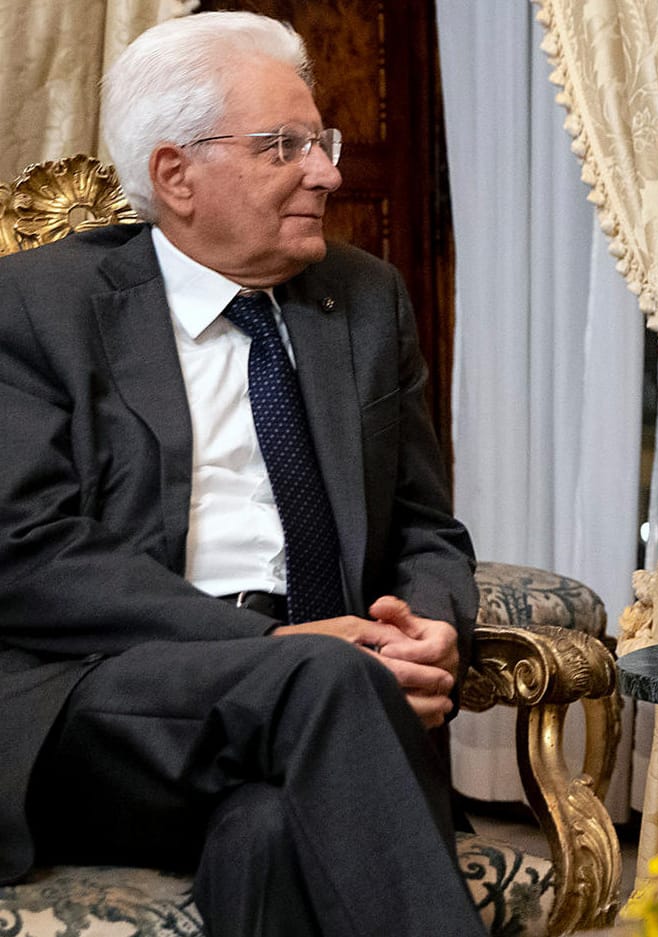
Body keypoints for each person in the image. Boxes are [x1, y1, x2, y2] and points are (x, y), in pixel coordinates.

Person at [0, 12, 488, 937]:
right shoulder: (35, 308)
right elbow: (24, 550)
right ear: (176, 174)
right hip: (102, 701)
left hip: (309, 709)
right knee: (322, 677)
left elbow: (427, 525)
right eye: (284, 146)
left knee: (269, 831)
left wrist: (431, 625)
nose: (328, 172)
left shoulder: (366, 299)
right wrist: (266, 645)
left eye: (322, 141)